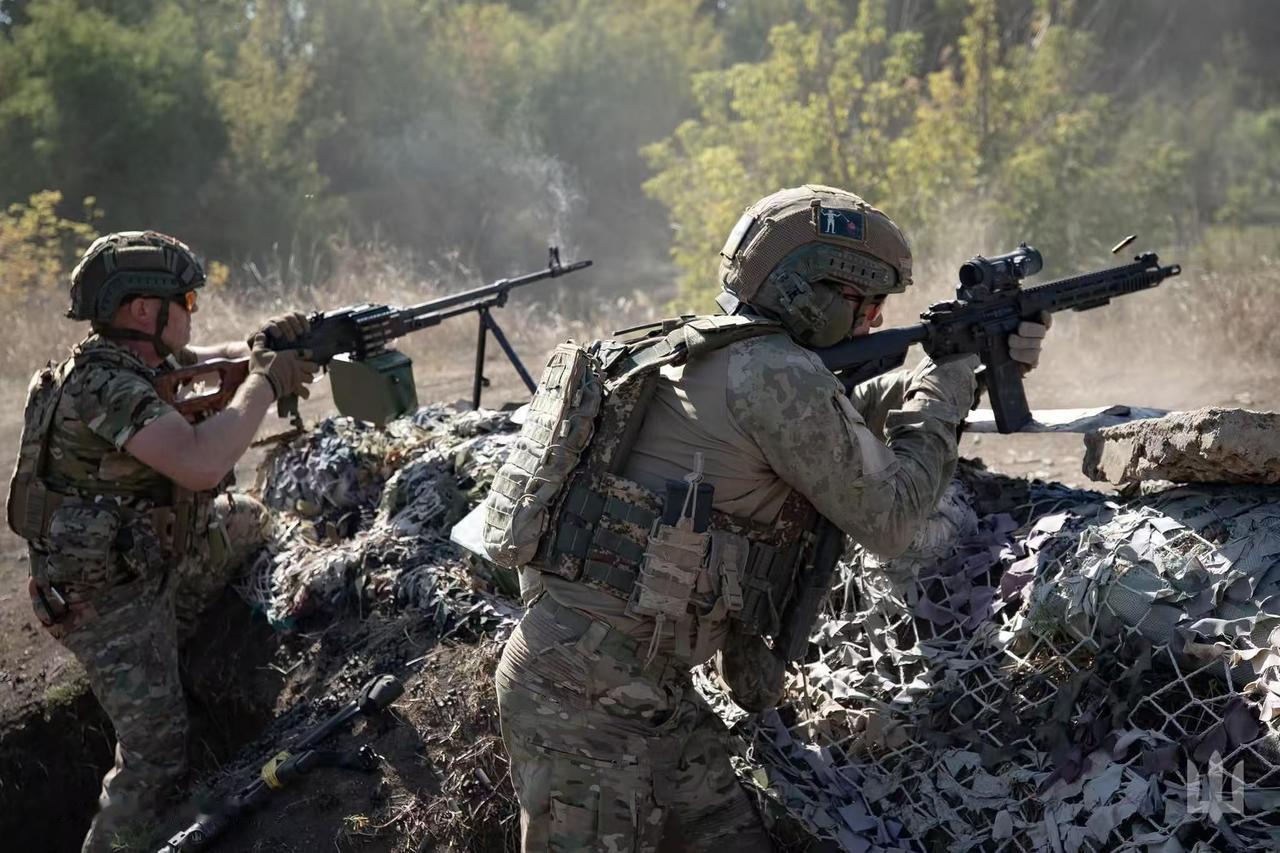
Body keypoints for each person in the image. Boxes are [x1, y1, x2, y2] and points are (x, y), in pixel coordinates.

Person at [485, 185, 1050, 851]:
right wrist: (951, 381)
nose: (871, 318)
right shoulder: (771, 371)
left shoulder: (717, 350)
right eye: (860, 299)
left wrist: (947, 370)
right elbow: (892, 518)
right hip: (586, 699)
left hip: (622, 679)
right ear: (803, 288)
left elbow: (826, 430)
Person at [5, 231, 319, 851]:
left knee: (245, 518)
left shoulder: (134, 363)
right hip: (104, 604)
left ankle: (183, 648)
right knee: (156, 759)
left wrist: (267, 347)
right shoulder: (105, 387)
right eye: (187, 300)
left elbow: (218, 357)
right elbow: (201, 464)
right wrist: (264, 385)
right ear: (145, 311)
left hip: (142, 566)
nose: (192, 311)